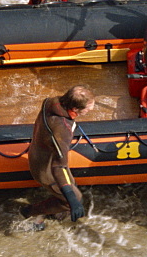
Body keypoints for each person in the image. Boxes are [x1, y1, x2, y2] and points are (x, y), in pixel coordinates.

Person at [22, 85, 96, 222]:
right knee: (74, 197)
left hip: (38, 151)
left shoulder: (51, 101)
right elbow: (58, 167)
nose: (91, 109)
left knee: (71, 183)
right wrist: (73, 200)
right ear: (74, 109)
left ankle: (57, 208)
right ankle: (30, 212)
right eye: (87, 107)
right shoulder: (62, 131)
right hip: (46, 167)